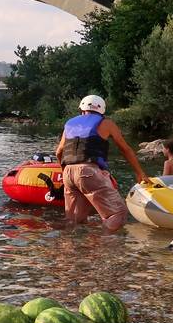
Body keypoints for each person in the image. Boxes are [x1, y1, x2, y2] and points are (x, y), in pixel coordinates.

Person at [54, 95, 149, 232]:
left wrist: (65, 173)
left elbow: (59, 152)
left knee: (74, 219)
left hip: (68, 172)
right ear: (101, 110)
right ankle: (102, 249)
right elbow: (125, 149)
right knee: (118, 214)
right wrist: (140, 173)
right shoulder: (107, 123)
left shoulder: (69, 124)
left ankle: (69, 250)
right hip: (88, 171)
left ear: (82, 109)